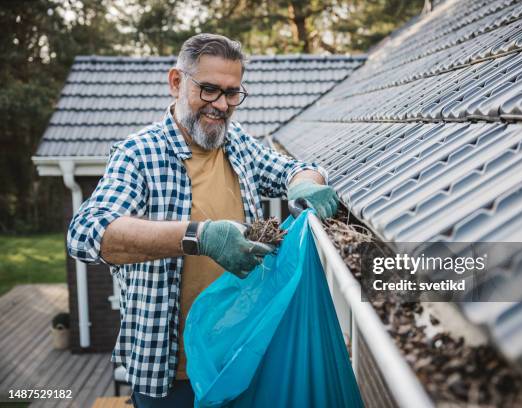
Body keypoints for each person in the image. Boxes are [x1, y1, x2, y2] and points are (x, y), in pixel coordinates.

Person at [66, 33, 338, 407]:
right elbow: (86, 233)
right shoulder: (138, 155)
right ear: (176, 82)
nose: (221, 105)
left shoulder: (236, 143)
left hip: (239, 358)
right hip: (170, 375)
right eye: (209, 90)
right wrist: (199, 237)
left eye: (232, 93)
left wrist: (305, 184)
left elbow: (297, 169)